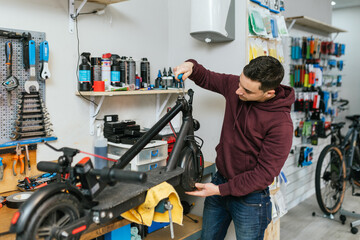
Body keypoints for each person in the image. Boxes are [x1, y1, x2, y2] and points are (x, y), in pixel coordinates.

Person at [173, 56, 294, 240]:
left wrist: (220, 190)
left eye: (246, 90)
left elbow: (263, 174)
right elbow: (206, 76)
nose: (237, 91)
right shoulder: (238, 87)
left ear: (268, 93)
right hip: (220, 181)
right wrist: (191, 66)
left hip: (251, 198)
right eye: (239, 82)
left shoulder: (281, 125)